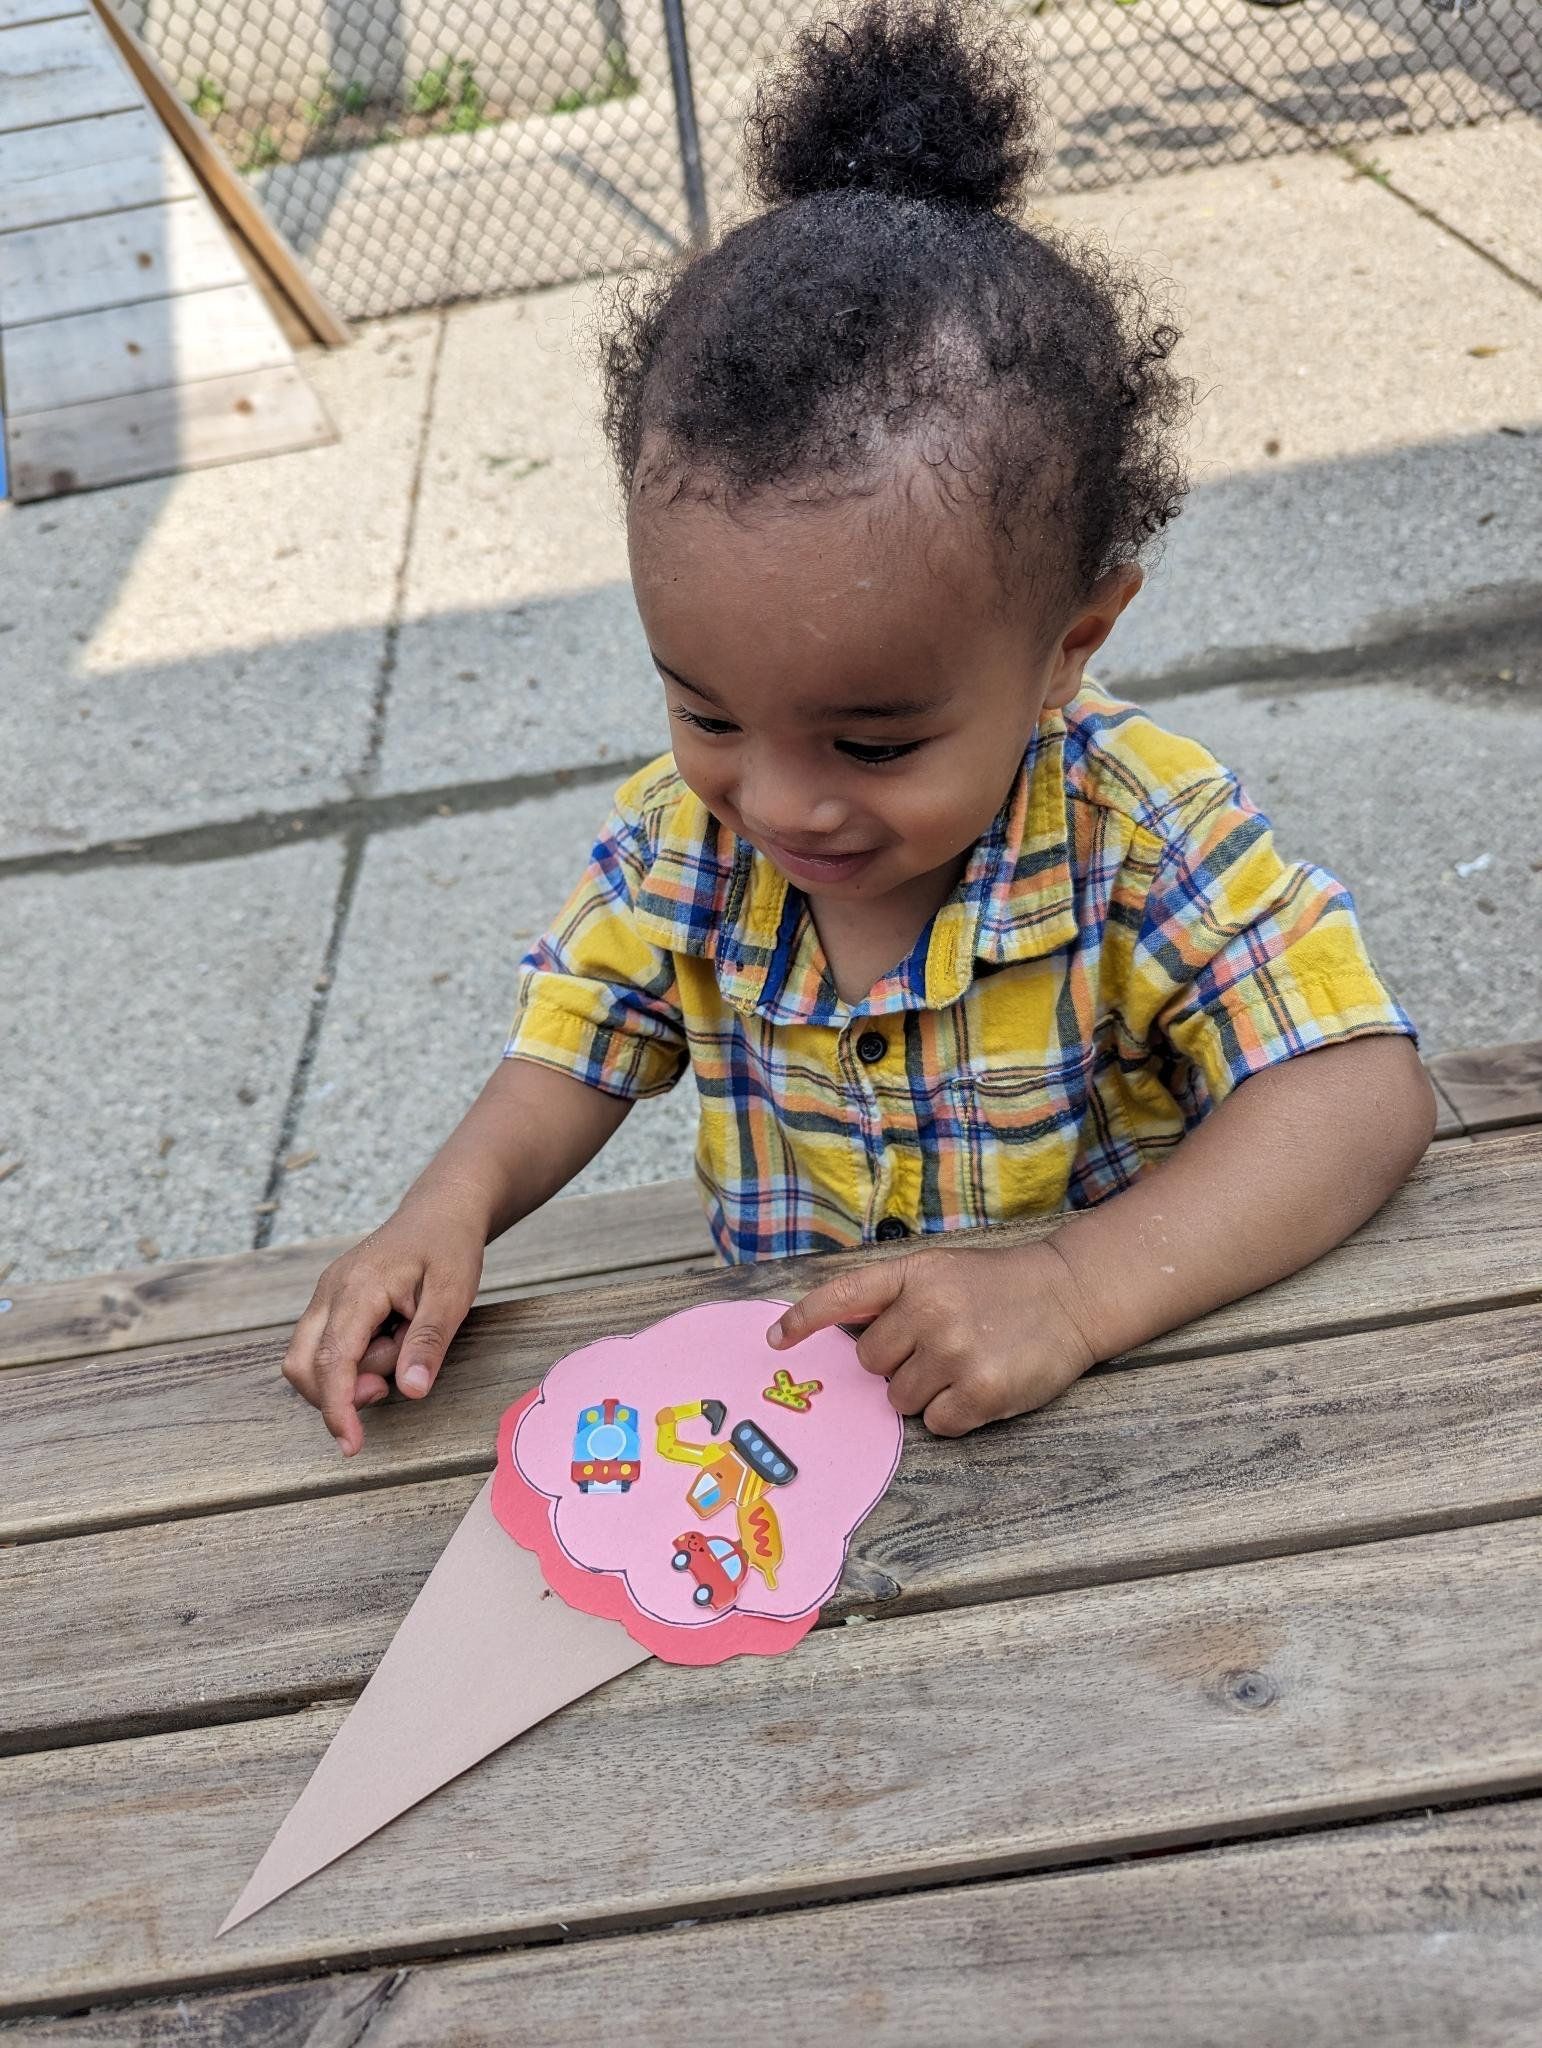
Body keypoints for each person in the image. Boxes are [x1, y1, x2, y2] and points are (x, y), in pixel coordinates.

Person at [284, 0, 1434, 1456]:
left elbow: (1356, 1089)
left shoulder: (1130, 833)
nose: (772, 801)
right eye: (703, 709)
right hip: (799, 1435)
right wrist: (443, 1209)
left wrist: (1072, 1293)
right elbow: (578, 1043)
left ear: (1065, 649)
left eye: (873, 745)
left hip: (1119, 1433)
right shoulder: (685, 839)